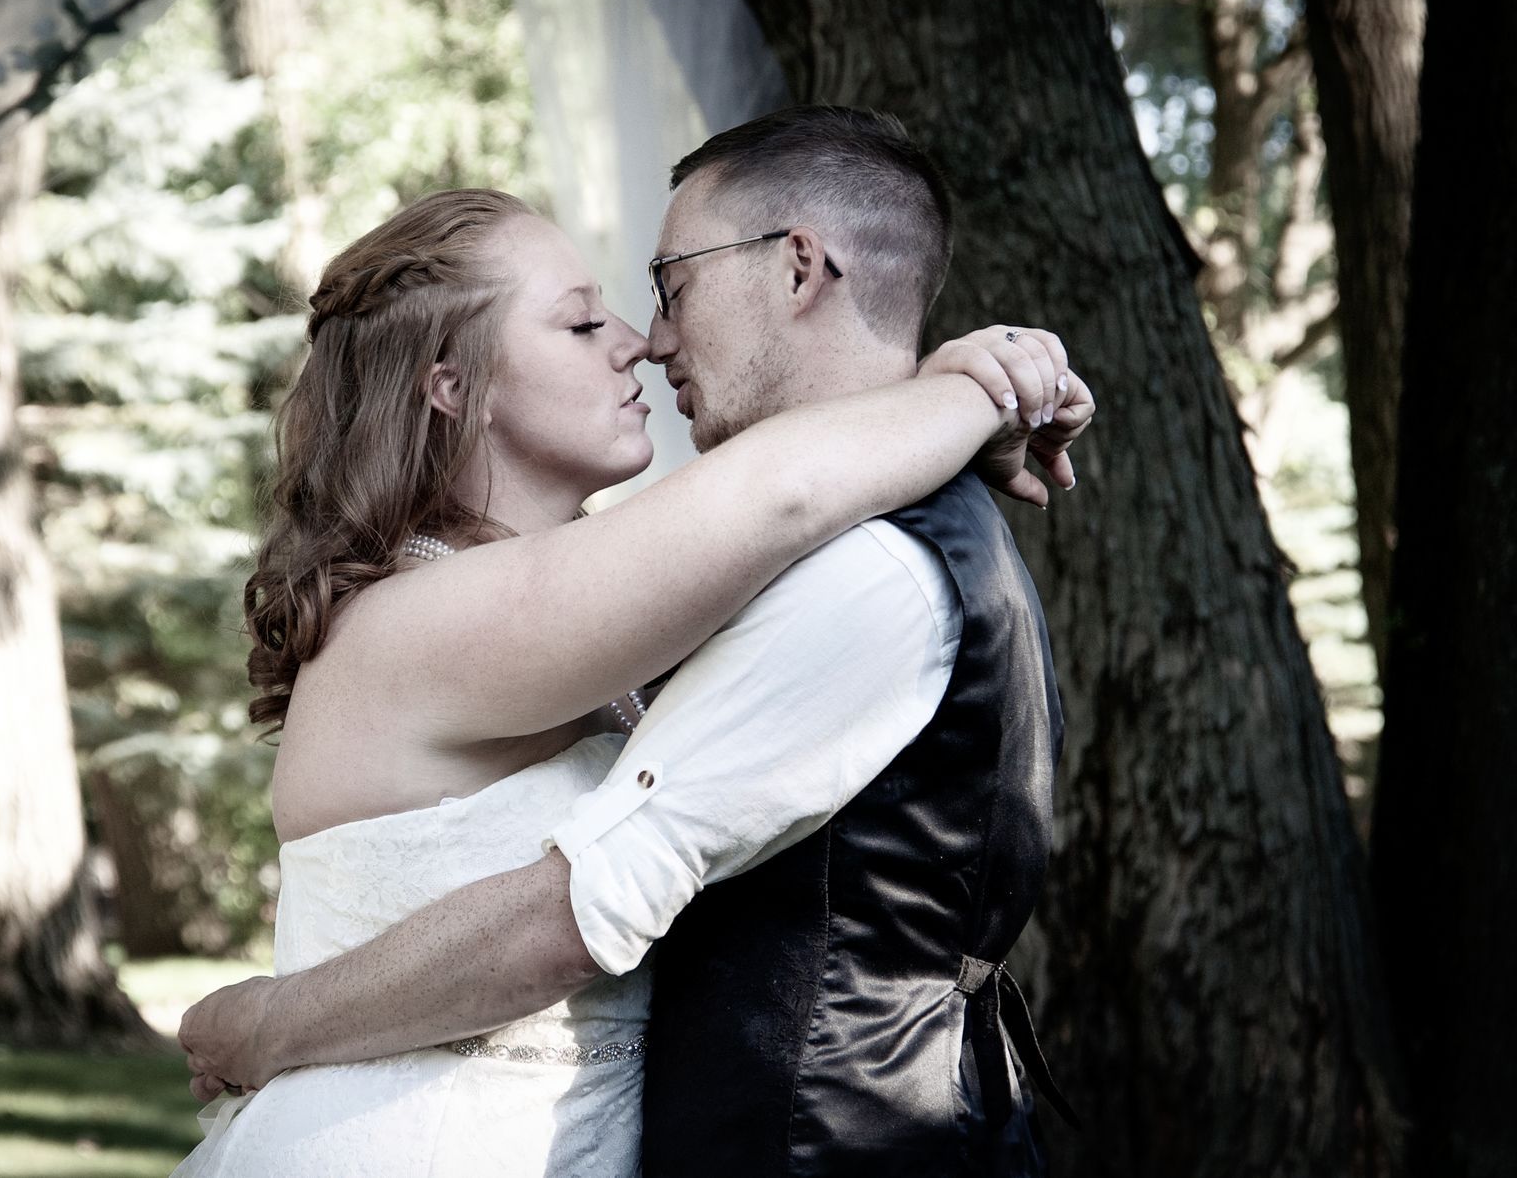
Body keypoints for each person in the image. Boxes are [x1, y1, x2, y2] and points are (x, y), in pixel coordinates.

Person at [174, 109, 1094, 1178]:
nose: (638, 341)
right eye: (579, 324)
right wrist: (969, 388)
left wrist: (954, 381)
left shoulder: (603, 600)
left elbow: (773, 503)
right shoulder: (426, 620)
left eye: (652, 296)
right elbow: (780, 492)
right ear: (453, 386)